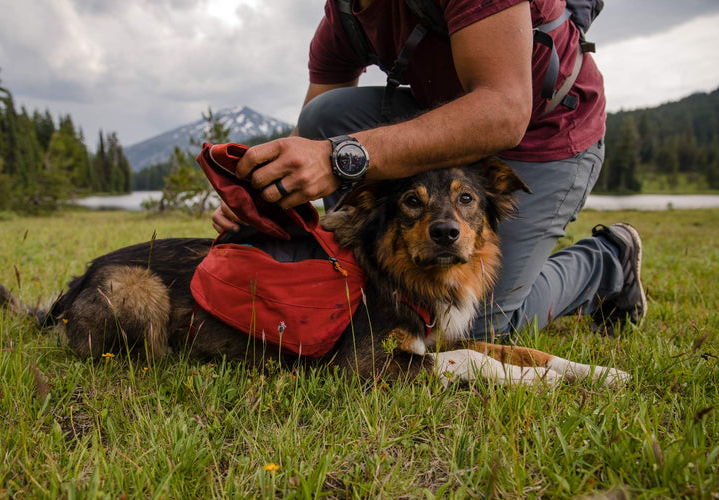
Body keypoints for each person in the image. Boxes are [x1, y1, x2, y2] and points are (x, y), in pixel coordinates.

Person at [211, 0, 646, 340]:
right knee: (326, 117)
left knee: (473, 324)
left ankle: (608, 260)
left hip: (543, 131)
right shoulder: (344, 15)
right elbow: (312, 137)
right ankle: (358, 272)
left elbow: (506, 111)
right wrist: (266, 198)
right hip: (451, 117)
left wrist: (342, 157)